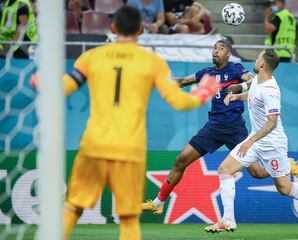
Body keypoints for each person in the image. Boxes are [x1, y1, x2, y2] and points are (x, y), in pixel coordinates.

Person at [32, 6, 218, 240]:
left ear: (112, 27)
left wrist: (46, 83)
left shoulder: (92, 57)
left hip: (94, 146)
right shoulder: (151, 62)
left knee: (72, 208)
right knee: (129, 219)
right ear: (141, 30)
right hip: (129, 150)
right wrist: (202, 93)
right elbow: (179, 102)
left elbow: (64, 87)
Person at [142, 40, 298, 216]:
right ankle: (158, 203)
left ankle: (286, 165)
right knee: (180, 160)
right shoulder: (207, 73)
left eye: (221, 49)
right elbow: (182, 81)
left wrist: (239, 87)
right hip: (212, 128)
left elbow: (254, 81)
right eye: (214, 48)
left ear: (228, 54)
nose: (216, 51)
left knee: (258, 173)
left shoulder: (236, 69)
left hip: (235, 129)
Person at [204, 50, 298, 233]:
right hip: (256, 141)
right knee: (225, 170)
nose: (255, 60)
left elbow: (272, 122)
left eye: (257, 58)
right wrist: (237, 96)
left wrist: (250, 140)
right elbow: (253, 94)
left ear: (261, 64)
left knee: (284, 189)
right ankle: (227, 220)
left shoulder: (270, 90)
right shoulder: (257, 81)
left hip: (272, 145)